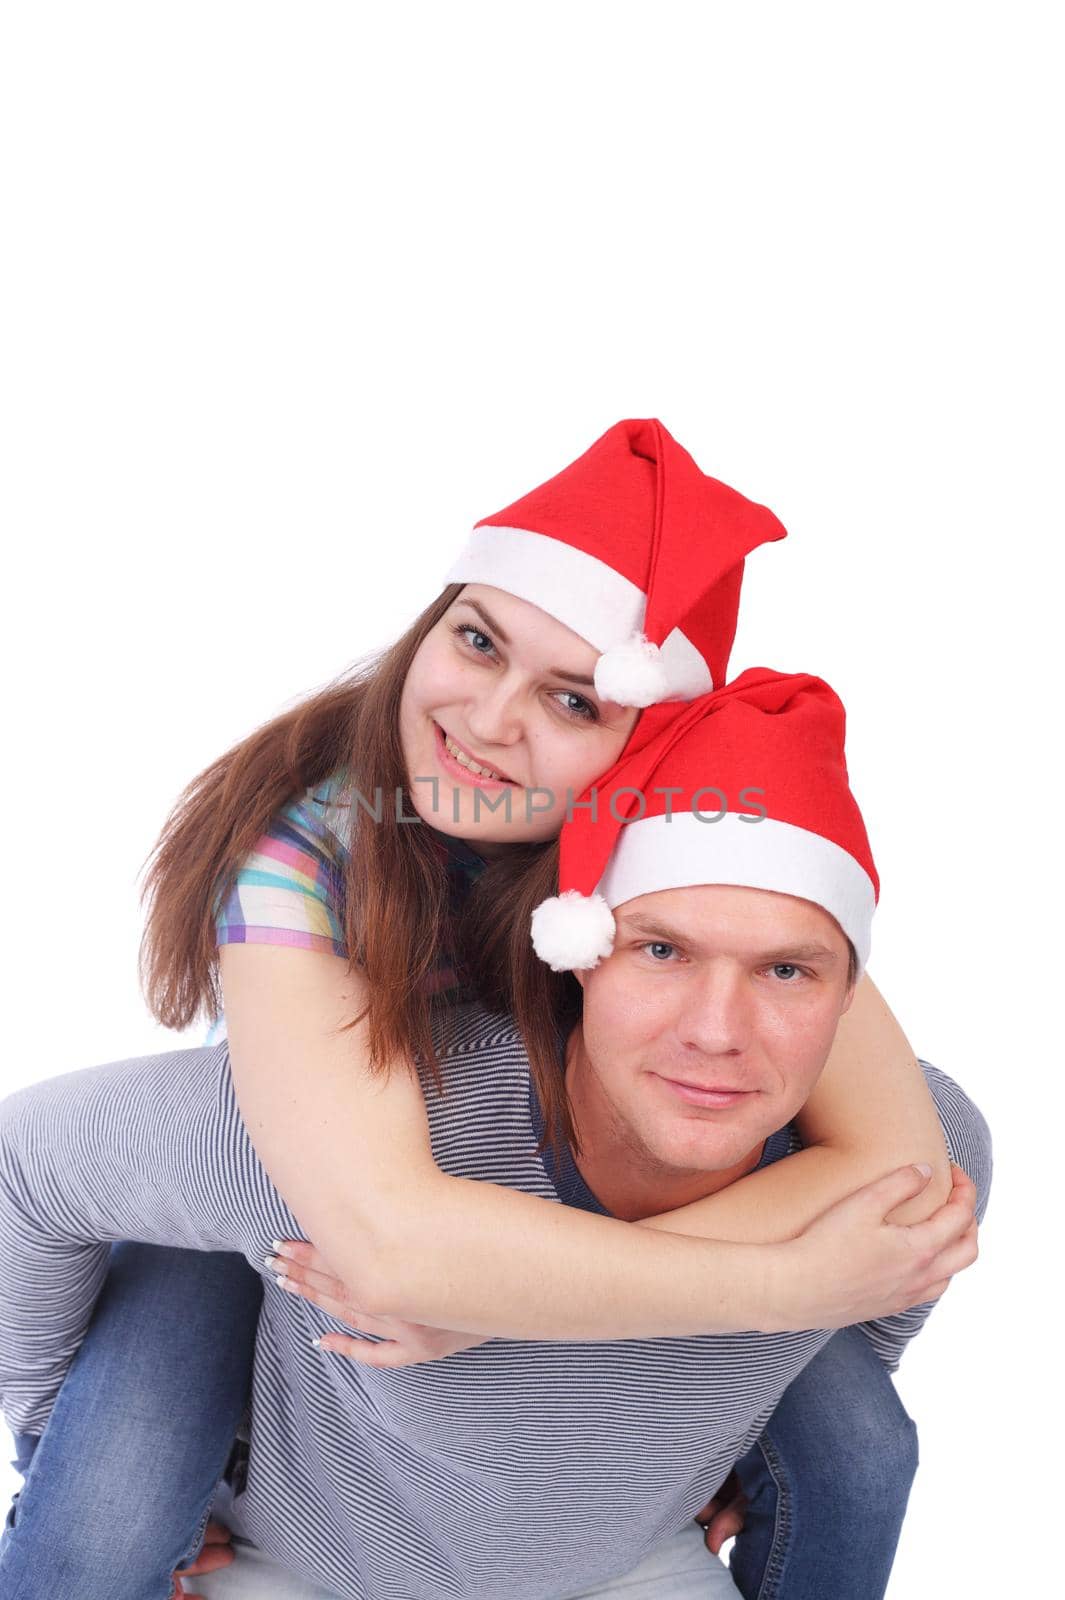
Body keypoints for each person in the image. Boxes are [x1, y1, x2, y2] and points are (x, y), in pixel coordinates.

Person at [1, 424, 955, 1598]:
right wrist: (781, 1289)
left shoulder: (690, 840)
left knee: (861, 1451)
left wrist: (552, 1328)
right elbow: (392, 1243)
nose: (489, 719)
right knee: (105, 1500)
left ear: (652, 743)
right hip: (291, 1190)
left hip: (551, 1184)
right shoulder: (303, 859)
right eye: (476, 641)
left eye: (568, 696)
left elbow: (904, 1164)